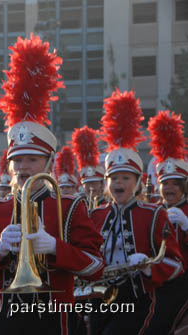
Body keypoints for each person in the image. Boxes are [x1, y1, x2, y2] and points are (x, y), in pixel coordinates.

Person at [0, 34, 104, 335]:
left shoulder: (69, 206)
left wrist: (56, 248)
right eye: (19, 160)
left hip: (54, 318)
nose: (24, 167)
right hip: (4, 318)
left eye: (32, 160)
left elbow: (95, 267)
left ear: (49, 164)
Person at [90, 90, 184, 335]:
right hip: (97, 301)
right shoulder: (96, 215)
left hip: (136, 300)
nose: (118, 183)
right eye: (114, 178)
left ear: (138, 183)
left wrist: (147, 267)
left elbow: (175, 264)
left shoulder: (153, 214)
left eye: (125, 178)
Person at [142, 110, 188, 335]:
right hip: (158, 280)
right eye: (165, 183)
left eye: (175, 183)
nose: (169, 188)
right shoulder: (154, 209)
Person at [71, 126, 107, 213]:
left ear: (102, 184)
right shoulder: (78, 206)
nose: (91, 187)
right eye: (87, 184)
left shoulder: (108, 206)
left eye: (94, 183)